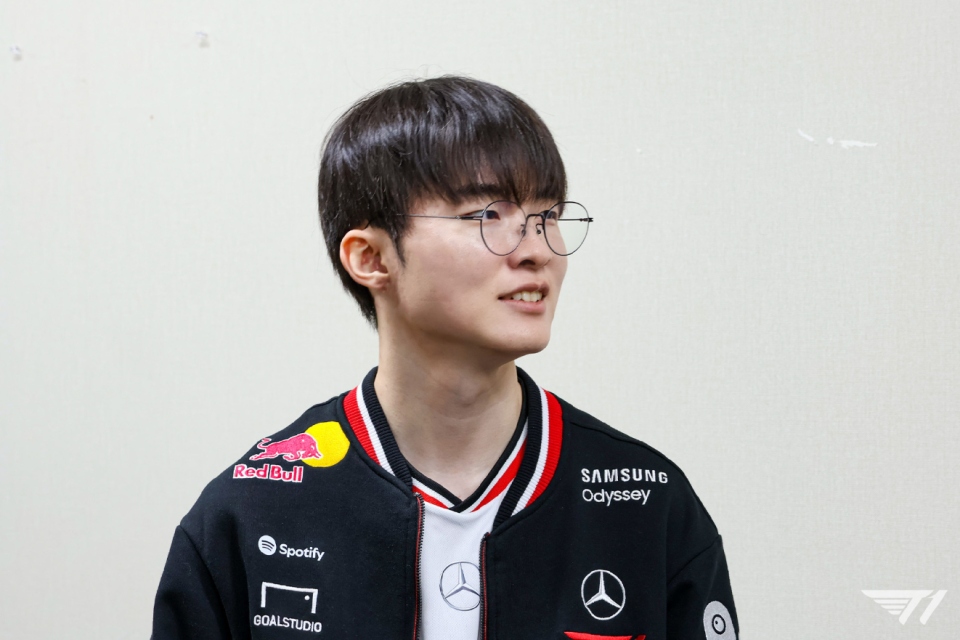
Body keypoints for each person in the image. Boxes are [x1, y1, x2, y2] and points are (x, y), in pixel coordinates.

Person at [152, 75, 739, 640]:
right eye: (488, 215)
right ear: (371, 259)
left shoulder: (648, 503)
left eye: (547, 217)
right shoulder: (252, 511)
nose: (537, 250)